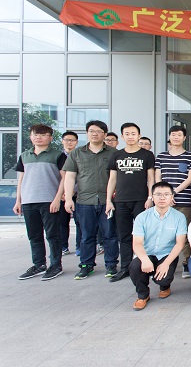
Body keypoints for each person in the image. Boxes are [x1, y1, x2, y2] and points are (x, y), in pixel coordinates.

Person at [63, 120, 119, 280]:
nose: (95, 134)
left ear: (104, 134)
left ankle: (111, 264)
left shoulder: (113, 153)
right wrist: (68, 198)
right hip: (84, 201)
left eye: (99, 131)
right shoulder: (77, 153)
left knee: (110, 235)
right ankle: (86, 265)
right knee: (87, 235)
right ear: (87, 133)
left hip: (107, 201)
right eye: (91, 131)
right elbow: (70, 176)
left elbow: (117, 177)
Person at [14, 124, 66, 281]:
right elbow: (21, 179)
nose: (38, 137)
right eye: (35, 134)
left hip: (49, 201)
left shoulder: (58, 155)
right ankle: (39, 265)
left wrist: (57, 198)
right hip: (29, 201)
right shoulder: (24, 156)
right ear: (31, 137)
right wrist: (18, 200)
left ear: (50, 138)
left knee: (53, 235)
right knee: (34, 235)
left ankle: (55, 265)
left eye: (43, 135)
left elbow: (64, 178)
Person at [105, 122, 155, 282]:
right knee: (124, 235)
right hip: (120, 200)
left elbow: (151, 178)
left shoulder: (147, 155)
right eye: (127, 134)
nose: (130, 136)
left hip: (141, 200)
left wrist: (150, 197)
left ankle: (145, 265)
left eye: (133, 133)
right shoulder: (116, 155)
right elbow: (112, 179)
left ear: (139, 135)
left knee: (144, 235)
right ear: (122, 136)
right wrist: (108, 200)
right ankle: (125, 267)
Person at [129, 182, 187, 311]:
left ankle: (165, 287)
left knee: (164, 279)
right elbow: (137, 243)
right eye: (158, 194)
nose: (162, 198)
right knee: (135, 267)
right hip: (147, 253)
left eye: (166, 194)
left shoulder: (179, 217)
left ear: (172, 197)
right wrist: (145, 260)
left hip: (166, 254)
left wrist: (166, 264)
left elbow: (180, 244)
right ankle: (143, 295)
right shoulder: (142, 217)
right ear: (152, 196)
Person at [155, 125, 191, 279]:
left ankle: (186, 262)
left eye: (179, 135)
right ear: (169, 137)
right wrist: (164, 195)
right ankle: (163, 261)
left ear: (184, 138)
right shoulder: (161, 156)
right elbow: (158, 178)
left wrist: (173, 193)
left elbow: (190, 179)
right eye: (173, 134)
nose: (176, 137)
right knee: (164, 233)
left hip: (183, 200)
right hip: (163, 201)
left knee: (183, 233)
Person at [59, 131, 80, 256]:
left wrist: (73, 190)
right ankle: (63, 246)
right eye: (66, 140)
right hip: (61, 195)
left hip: (78, 194)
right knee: (62, 222)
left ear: (76, 142)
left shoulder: (80, 156)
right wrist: (63, 192)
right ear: (62, 141)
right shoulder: (58, 156)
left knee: (79, 222)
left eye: (72, 140)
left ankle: (79, 246)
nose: (69, 142)